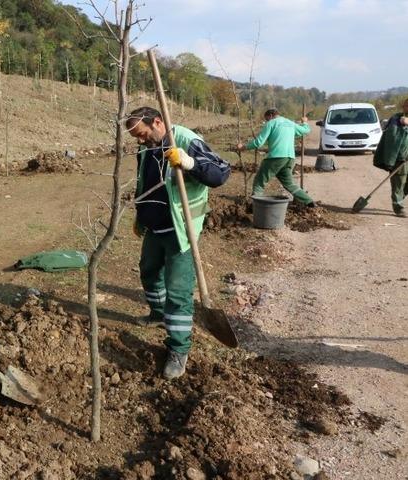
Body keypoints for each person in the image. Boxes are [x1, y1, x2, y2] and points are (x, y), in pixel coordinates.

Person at [126, 106, 230, 380]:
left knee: (178, 292)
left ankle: (178, 349)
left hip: (180, 229)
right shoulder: (146, 148)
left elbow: (221, 173)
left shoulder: (186, 140)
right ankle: (157, 314)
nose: (139, 139)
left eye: (142, 133)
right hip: (154, 226)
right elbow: (145, 181)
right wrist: (140, 213)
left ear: (158, 122)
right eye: (136, 136)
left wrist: (190, 164)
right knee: (148, 271)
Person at [236, 108, 316, 208]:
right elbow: (305, 130)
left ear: (270, 116)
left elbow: (259, 142)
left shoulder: (271, 123)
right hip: (290, 158)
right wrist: (304, 122)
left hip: (275, 157)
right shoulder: (290, 123)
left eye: (266, 119)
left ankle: (255, 205)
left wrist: (243, 147)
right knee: (289, 184)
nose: (266, 121)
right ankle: (309, 201)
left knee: (259, 181)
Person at [376, 99, 408, 217]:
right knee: (398, 183)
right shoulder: (396, 119)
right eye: (407, 106)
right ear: (404, 107)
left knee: (404, 185)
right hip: (399, 159)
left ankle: (399, 197)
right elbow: (392, 137)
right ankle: (398, 206)